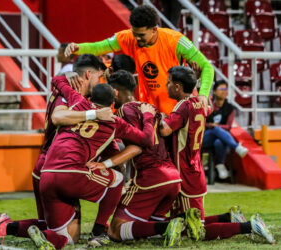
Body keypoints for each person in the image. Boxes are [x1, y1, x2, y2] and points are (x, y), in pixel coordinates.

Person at [0, 54, 115, 245]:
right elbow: (58, 118)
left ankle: (3, 226)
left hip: (52, 165)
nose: (100, 83)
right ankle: (5, 226)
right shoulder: (67, 96)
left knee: (53, 227)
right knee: (65, 239)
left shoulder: (71, 93)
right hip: (54, 165)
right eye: (98, 77)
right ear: (88, 74)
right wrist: (94, 114)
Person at [34, 80, 157, 249]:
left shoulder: (77, 100)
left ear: (91, 97)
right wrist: (148, 116)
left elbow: (57, 80)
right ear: (112, 104)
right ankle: (98, 232)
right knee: (118, 179)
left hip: (46, 174)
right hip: (71, 174)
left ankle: (18, 229)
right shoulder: (114, 122)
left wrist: (71, 77)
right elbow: (147, 140)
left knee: (65, 238)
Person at [159, 66, 275, 244]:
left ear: (177, 87)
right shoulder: (200, 101)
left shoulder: (182, 107)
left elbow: (165, 130)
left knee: (196, 230)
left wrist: (157, 117)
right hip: (193, 167)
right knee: (183, 222)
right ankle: (229, 217)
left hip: (185, 171)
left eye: (168, 82)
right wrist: (195, 82)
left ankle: (250, 226)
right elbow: (209, 109)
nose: (165, 85)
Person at [87, 70, 184, 247]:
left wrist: (105, 164)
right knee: (146, 229)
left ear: (115, 91)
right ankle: (168, 226)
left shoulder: (125, 110)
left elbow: (137, 147)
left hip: (151, 178)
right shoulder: (151, 108)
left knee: (115, 230)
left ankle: (168, 226)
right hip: (173, 178)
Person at [64, 5, 214, 114]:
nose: (136, 38)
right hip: (149, 111)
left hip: (176, 111)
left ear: (154, 29)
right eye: (134, 33)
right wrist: (79, 47)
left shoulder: (176, 41)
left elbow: (207, 67)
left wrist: (203, 95)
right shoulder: (128, 37)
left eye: (141, 35)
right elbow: (99, 47)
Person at [203, 80, 248, 180]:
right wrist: (211, 125)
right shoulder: (208, 104)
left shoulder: (229, 108)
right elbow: (200, 122)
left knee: (219, 141)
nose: (224, 91)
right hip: (205, 136)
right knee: (215, 129)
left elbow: (228, 126)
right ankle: (236, 147)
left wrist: (217, 126)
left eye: (225, 89)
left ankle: (220, 165)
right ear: (214, 91)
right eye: (221, 89)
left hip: (219, 138)